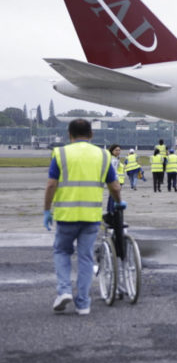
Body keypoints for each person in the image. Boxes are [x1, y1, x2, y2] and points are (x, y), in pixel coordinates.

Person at [43, 119, 123, 315]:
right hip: (91, 216)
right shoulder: (103, 155)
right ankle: (84, 303)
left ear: (69, 135)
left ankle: (64, 291)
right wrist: (119, 201)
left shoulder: (61, 153)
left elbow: (51, 185)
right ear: (91, 135)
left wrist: (47, 210)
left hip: (66, 215)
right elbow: (114, 186)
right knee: (86, 257)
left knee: (62, 252)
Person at [106, 144, 125, 214]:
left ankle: (110, 211)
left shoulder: (115, 159)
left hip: (118, 180)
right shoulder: (113, 160)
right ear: (112, 151)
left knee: (111, 197)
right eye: (116, 150)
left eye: (119, 150)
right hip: (116, 180)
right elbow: (113, 171)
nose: (118, 152)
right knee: (113, 197)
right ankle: (112, 211)